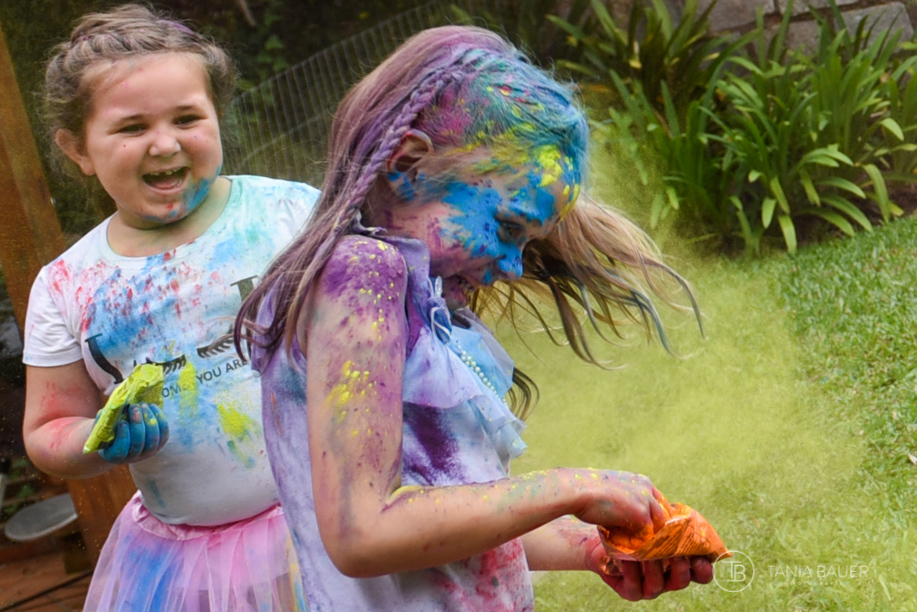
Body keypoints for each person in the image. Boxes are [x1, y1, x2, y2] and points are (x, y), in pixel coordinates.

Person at [236, 24, 714, 611]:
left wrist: (592, 547)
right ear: (408, 164)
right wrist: (571, 486)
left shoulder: (418, 300)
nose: (513, 266)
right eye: (509, 227)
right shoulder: (362, 276)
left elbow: (451, 522)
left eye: (528, 243)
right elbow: (365, 532)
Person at [21, 4, 319, 611]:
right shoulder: (66, 285)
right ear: (78, 148)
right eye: (132, 128)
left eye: (187, 117)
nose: (165, 143)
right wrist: (94, 440)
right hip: (191, 569)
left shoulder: (292, 215)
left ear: (216, 116)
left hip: (335, 523)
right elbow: (48, 428)